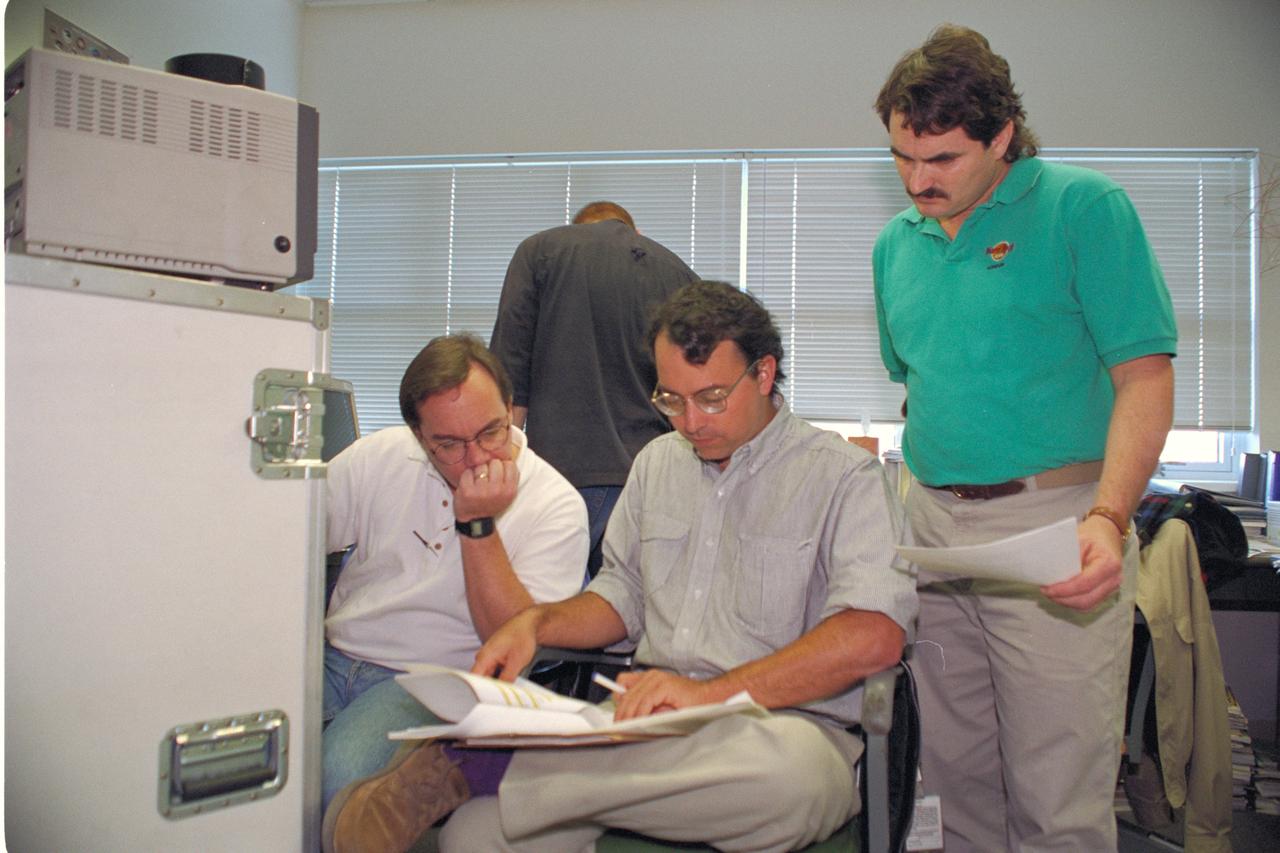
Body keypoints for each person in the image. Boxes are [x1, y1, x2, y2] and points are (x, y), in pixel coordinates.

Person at [323, 280, 918, 853]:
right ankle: (520, 781)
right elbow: (620, 597)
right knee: (472, 836)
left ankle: (490, 770)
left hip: (779, 728)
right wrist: (537, 623)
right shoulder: (658, 463)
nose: (690, 422)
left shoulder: (843, 477)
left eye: (711, 398)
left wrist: (710, 695)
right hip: (642, 724)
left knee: (791, 787)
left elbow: (874, 637)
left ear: (763, 374)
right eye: (671, 400)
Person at [872, 24, 1177, 852]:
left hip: (1058, 524)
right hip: (935, 530)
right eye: (903, 156)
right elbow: (920, 380)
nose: (918, 180)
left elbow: (1145, 379)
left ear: (1001, 135)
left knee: (1055, 795)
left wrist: (1109, 518)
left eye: (942, 159)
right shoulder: (894, 246)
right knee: (953, 783)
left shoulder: (1083, 208)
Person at [321, 335, 587, 815]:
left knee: (335, 780)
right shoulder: (380, 456)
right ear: (420, 437)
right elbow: (290, 540)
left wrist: (478, 524)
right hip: (331, 657)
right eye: (449, 444)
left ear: (511, 409)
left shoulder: (556, 503)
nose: (479, 457)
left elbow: (510, 643)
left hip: (433, 681)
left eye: (491, 431)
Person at [490, 201, 699, 576]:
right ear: (636, 234)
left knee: (555, 619)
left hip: (563, 475)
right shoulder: (678, 272)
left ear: (577, 228)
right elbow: (695, 393)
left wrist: (496, 472)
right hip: (652, 480)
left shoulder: (540, 251)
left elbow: (509, 377)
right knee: (627, 617)